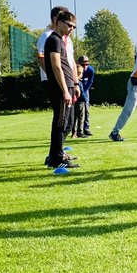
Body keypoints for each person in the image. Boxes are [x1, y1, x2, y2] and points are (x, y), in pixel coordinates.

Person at [41, 10, 79, 170]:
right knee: (61, 123)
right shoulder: (54, 40)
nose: (71, 28)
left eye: (74, 27)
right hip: (60, 87)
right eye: (69, 25)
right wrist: (64, 89)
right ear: (59, 22)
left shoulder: (62, 41)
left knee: (67, 123)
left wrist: (75, 84)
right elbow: (56, 66)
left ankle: (56, 155)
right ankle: (56, 158)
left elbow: (67, 64)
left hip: (69, 84)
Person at [77, 55, 94, 137]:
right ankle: (75, 130)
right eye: (83, 65)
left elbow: (90, 82)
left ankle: (86, 128)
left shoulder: (90, 70)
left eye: (87, 64)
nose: (85, 66)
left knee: (86, 110)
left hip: (85, 90)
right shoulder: (76, 69)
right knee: (77, 111)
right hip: (76, 90)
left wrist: (84, 90)